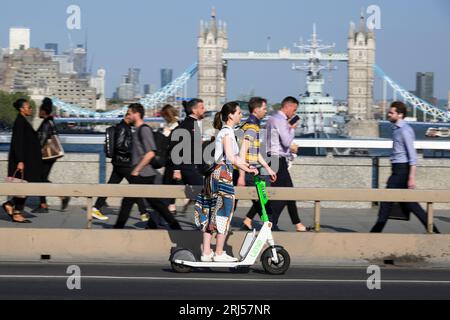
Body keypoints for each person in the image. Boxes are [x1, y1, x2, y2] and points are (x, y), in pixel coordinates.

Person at [194, 101, 258, 262]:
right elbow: (230, 157)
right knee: (224, 212)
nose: (241, 115)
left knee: (209, 212)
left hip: (212, 176)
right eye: (238, 113)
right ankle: (220, 252)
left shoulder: (224, 132)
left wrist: (246, 165)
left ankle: (206, 252)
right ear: (230, 115)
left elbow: (234, 158)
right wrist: (248, 168)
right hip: (223, 176)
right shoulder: (227, 133)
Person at [370, 101, 440, 233]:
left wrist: (411, 177)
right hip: (397, 169)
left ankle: (375, 232)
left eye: (391, 112)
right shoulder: (396, 129)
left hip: (402, 170)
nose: (388, 114)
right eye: (389, 112)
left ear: (400, 115)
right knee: (411, 204)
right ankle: (434, 231)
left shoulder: (405, 130)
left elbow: (412, 155)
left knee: (387, 201)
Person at [114, 103, 181, 230]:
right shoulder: (138, 130)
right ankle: (172, 226)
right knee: (156, 204)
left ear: (137, 114)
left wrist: (136, 170)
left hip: (143, 173)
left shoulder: (144, 129)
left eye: (129, 113)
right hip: (145, 173)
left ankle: (118, 228)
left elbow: (150, 153)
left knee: (128, 202)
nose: (127, 116)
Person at [91, 114, 149, 222]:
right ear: (128, 117)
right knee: (136, 186)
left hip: (119, 163)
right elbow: (120, 146)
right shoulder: (123, 128)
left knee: (111, 186)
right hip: (124, 163)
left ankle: (96, 208)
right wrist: (134, 150)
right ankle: (144, 213)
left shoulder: (123, 127)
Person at [265, 96, 307, 232]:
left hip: (272, 158)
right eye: (294, 110)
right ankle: (271, 223)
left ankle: (297, 223)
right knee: (284, 193)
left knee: (287, 191)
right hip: (278, 159)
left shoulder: (272, 119)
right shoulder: (281, 121)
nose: (294, 113)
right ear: (288, 106)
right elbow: (287, 142)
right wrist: (292, 128)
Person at [237, 97, 277, 230]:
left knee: (262, 205)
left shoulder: (250, 125)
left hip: (249, 170)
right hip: (248, 171)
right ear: (256, 110)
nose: (266, 111)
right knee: (265, 208)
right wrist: (242, 176)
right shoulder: (252, 127)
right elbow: (243, 151)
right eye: (264, 108)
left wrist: (267, 168)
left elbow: (254, 151)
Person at [2, 99, 43, 223]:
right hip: (22, 162)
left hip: (27, 161)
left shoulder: (23, 121)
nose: (30, 108)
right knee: (24, 186)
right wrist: (20, 161)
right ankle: (17, 212)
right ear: (21, 109)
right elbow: (17, 143)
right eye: (28, 107)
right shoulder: (19, 122)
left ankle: (10, 205)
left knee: (26, 186)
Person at [32, 98, 70, 213]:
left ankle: (57, 198)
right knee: (41, 178)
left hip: (46, 156)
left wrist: (34, 154)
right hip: (50, 156)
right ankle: (46, 203)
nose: (38, 112)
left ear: (44, 111)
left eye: (39, 110)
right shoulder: (50, 121)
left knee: (40, 179)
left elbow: (42, 140)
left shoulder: (46, 122)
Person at [169, 99, 205, 187]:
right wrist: (176, 170)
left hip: (193, 166)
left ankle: (192, 201)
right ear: (194, 110)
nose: (205, 110)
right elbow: (176, 148)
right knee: (205, 191)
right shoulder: (186, 125)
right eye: (202, 108)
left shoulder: (193, 124)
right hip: (187, 167)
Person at [160, 104, 180, 215]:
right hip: (174, 161)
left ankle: (169, 208)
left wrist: (165, 133)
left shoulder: (174, 128)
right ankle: (171, 206)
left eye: (164, 116)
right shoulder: (178, 124)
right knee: (171, 184)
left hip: (173, 161)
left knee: (167, 184)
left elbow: (169, 145)